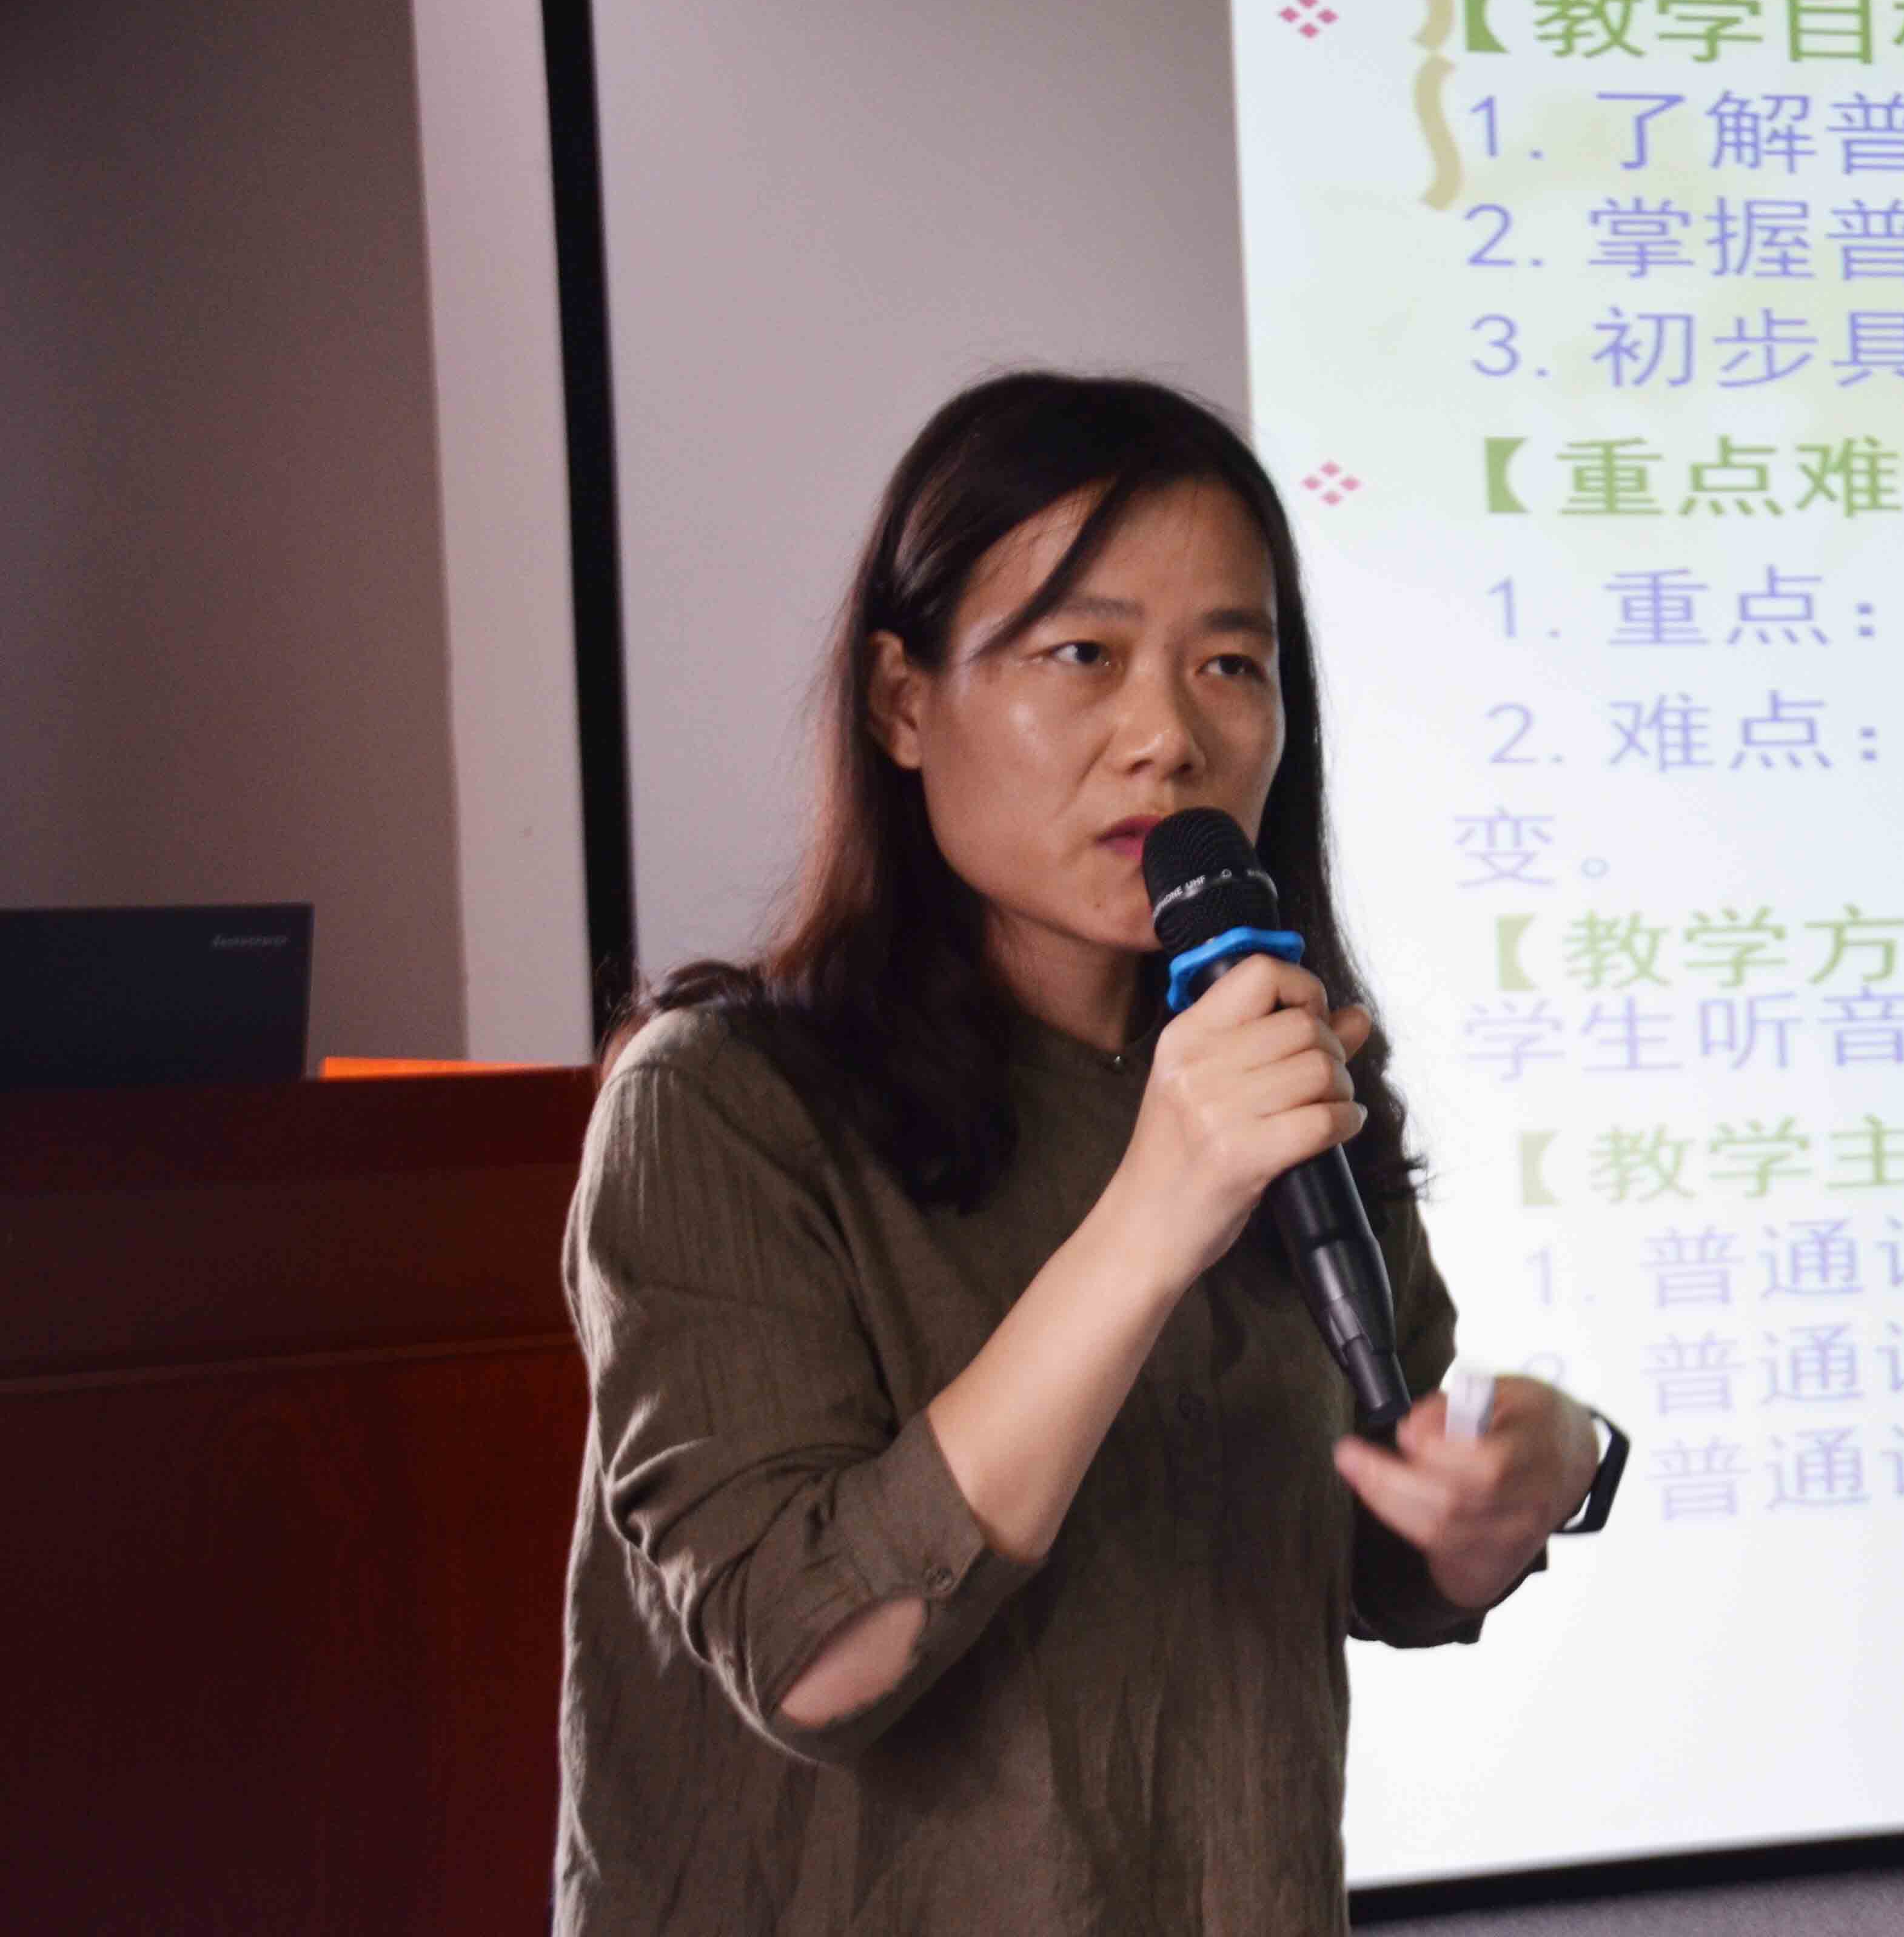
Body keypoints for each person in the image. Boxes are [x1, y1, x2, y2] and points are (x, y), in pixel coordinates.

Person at [552, 373, 1611, 1933]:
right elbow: (811, 1656)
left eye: (1230, 665)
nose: (1167, 738)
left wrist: (1538, 1470)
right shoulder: (720, 1105)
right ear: (903, 700)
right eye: (1082, 655)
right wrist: (1156, 1212)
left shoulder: (1277, 1066)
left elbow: (1379, 1549)